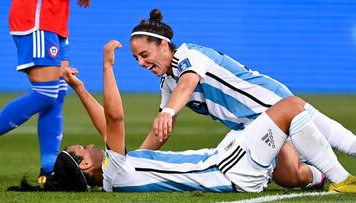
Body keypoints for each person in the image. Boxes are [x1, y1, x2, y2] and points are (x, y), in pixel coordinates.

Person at [10, 40, 356, 193]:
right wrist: (106, 65)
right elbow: (114, 119)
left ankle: (320, 177)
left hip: (230, 162)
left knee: (290, 174)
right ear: (86, 167)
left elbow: (106, 127)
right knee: (291, 106)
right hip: (230, 166)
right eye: (84, 149)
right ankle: (343, 179)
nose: (90, 144)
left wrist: (79, 89)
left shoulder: (118, 173)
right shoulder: (116, 171)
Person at [129, 9, 356, 161]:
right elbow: (162, 132)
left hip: (274, 105)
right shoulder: (168, 81)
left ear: (163, 45)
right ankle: (318, 177)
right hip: (253, 128)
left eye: (144, 54)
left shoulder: (190, 55)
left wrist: (168, 111)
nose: (140, 63)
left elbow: (188, 84)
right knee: (287, 173)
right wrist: (133, 161)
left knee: (342, 142)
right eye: (136, 58)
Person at [0, 0, 91, 183]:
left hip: (56, 18)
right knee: (45, 93)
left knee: (58, 92)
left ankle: (49, 169)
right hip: (38, 16)